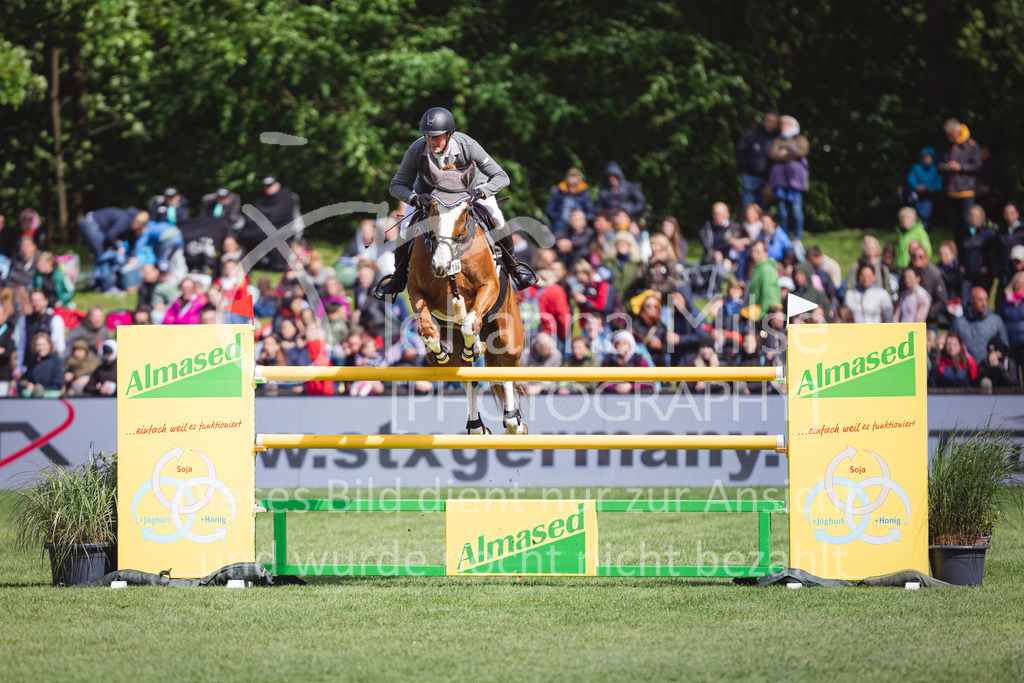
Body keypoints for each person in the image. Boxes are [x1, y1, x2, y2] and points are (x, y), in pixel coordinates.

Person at [375, 107, 536, 301]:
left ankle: (515, 267)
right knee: (405, 228)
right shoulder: (416, 150)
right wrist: (414, 199)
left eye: (437, 137)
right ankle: (398, 279)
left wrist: (481, 192)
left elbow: (502, 177)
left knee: (497, 218)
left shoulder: (468, 145)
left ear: (449, 134)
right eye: (428, 136)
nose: (431, 142)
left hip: (472, 190)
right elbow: (396, 185)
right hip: (429, 194)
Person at [238, 176, 301, 271]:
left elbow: (280, 216)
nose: (268, 188)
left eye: (270, 186)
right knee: (245, 235)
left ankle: (277, 265)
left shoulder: (287, 198)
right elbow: (252, 217)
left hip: (281, 229)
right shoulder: (260, 199)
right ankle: (254, 263)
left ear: (278, 185)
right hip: (258, 229)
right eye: (266, 186)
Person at [938, 118, 982, 247]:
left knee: (967, 223)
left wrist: (961, 167)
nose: (949, 138)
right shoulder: (946, 145)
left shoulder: (971, 145)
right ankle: (959, 252)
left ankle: (970, 250)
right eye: (947, 135)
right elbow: (938, 163)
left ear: (958, 131)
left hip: (966, 191)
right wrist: (943, 167)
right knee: (954, 225)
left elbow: (978, 166)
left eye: (951, 135)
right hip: (950, 192)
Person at [769, 115, 810, 246]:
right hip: (780, 180)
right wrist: (791, 152)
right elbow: (773, 154)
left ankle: (797, 237)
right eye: (781, 125)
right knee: (782, 211)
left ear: (792, 125)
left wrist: (785, 151)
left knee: (796, 209)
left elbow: (802, 152)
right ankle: (784, 236)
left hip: (795, 181)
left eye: (784, 125)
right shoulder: (778, 140)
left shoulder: (800, 139)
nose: (782, 127)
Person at [951, 286, 1008, 365]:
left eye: (986, 300)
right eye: (980, 300)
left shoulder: (996, 321)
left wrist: (997, 354)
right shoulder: (958, 323)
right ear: (971, 300)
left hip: (989, 368)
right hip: (965, 368)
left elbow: (1005, 347)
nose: (984, 303)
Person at [15, 289, 66, 375]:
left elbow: (59, 347)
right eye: (33, 300)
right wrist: (18, 367)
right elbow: (21, 345)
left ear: (46, 302)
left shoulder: (55, 320)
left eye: (39, 300)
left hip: (48, 368)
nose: (36, 303)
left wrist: (55, 368)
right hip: (29, 367)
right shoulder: (24, 320)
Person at [736, 111, 779, 210]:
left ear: (777, 124)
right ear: (764, 121)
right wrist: (744, 171)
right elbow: (740, 151)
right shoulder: (752, 134)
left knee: (764, 210)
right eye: (768, 120)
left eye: (773, 121)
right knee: (748, 210)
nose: (770, 123)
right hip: (750, 177)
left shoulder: (777, 139)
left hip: (768, 181)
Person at [959, 205, 1000, 302]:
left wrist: (988, 266)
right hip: (968, 274)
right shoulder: (964, 233)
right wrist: (961, 265)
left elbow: (995, 253)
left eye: (976, 216)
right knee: (965, 301)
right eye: (972, 215)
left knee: (981, 301)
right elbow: (961, 252)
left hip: (983, 275)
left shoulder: (988, 233)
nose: (974, 218)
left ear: (982, 217)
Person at [545, 168, 595, 234]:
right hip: (561, 222)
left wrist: (581, 218)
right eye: (570, 185)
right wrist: (557, 218)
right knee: (558, 226)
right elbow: (549, 210)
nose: (572, 187)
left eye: (575, 184)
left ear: (579, 183)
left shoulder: (584, 194)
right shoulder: (559, 192)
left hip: (578, 224)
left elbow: (591, 212)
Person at [699, 202, 745, 269]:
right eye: (717, 214)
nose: (719, 216)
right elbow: (707, 246)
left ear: (728, 214)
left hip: (730, 260)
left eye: (722, 213)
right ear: (713, 215)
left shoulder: (735, 228)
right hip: (711, 259)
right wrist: (714, 254)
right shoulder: (706, 229)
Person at [905, 146, 942, 228]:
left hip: (929, 196)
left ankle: (923, 229)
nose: (927, 159)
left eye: (929, 157)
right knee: (915, 212)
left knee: (925, 213)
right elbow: (911, 179)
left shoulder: (935, 169)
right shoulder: (916, 167)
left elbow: (939, 182)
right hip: (917, 195)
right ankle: (914, 229)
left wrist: (931, 188)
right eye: (925, 157)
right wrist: (917, 186)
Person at [19, 332, 64, 397]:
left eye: (44, 344)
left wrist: (40, 389)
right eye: (38, 345)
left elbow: (58, 385)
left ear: (50, 345)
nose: (41, 348)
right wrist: (26, 384)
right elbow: (26, 378)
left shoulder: (57, 362)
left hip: (50, 398)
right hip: (34, 398)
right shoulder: (33, 362)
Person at [748, 240, 780, 320]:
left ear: (766, 253)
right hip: (757, 315)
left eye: (758, 252)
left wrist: (761, 317)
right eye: (752, 251)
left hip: (764, 317)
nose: (754, 255)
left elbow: (768, 295)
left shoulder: (766, 269)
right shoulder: (759, 269)